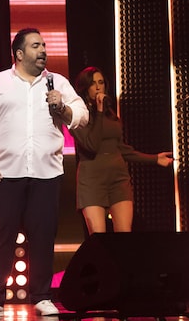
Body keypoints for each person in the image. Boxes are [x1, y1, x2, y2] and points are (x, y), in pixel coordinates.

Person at [0, 27, 89, 317]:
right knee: (2, 235)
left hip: (46, 172)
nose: (44, 50)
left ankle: (42, 296)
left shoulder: (56, 82)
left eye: (44, 45)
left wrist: (63, 108)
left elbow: (81, 115)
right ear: (19, 54)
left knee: (44, 235)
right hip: (6, 171)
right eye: (36, 45)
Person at [69, 66, 173, 235]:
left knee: (124, 236)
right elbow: (92, 145)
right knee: (99, 237)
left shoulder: (110, 114)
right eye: (93, 83)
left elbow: (121, 149)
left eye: (101, 82)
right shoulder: (78, 117)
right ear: (84, 88)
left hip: (118, 178)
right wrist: (100, 112)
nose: (98, 87)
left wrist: (154, 159)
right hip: (92, 181)